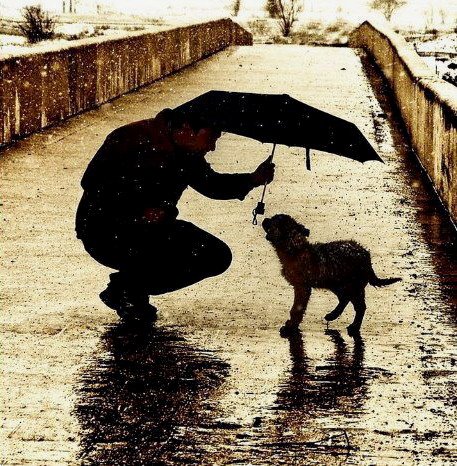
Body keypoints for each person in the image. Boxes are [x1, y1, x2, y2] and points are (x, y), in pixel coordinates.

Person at [76, 108, 275, 322]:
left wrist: (253, 179)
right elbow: (94, 183)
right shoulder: (131, 138)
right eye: (210, 138)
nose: (212, 147)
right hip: (105, 230)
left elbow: (210, 184)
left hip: (153, 230)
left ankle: (127, 287)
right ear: (188, 128)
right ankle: (128, 290)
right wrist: (136, 211)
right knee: (160, 250)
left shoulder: (187, 153)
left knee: (215, 255)